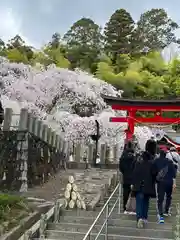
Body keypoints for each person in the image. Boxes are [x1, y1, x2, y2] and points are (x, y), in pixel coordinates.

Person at [131, 139, 157, 228]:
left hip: (138, 183)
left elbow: (133, 170)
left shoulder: (138, 158)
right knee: (146, 201)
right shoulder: (153, 160)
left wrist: (133, 182)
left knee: (139, 201)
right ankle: (144, 217)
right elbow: (155, 173)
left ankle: (139, 218)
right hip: (148, 184)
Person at [153, 150, 176, 224]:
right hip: (169, 182)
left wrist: (155, 179)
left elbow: (153, 171)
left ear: (159, 154)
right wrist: (174, 183)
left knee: (160, 198)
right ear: (165, 155)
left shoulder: (156, 161)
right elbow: (173, 173)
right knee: (169, 196)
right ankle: (166, 210)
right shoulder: (170, 162)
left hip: (161, 182)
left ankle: (160, 213)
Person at [119, 141, 136, 214]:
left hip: (126, 178)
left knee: (125, 193)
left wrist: (125, 172)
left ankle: (124, 207)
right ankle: (132, 208)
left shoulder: (123, 159)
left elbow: (121, 168)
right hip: (133, 179)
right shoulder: (135, 159)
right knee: (133, 194)